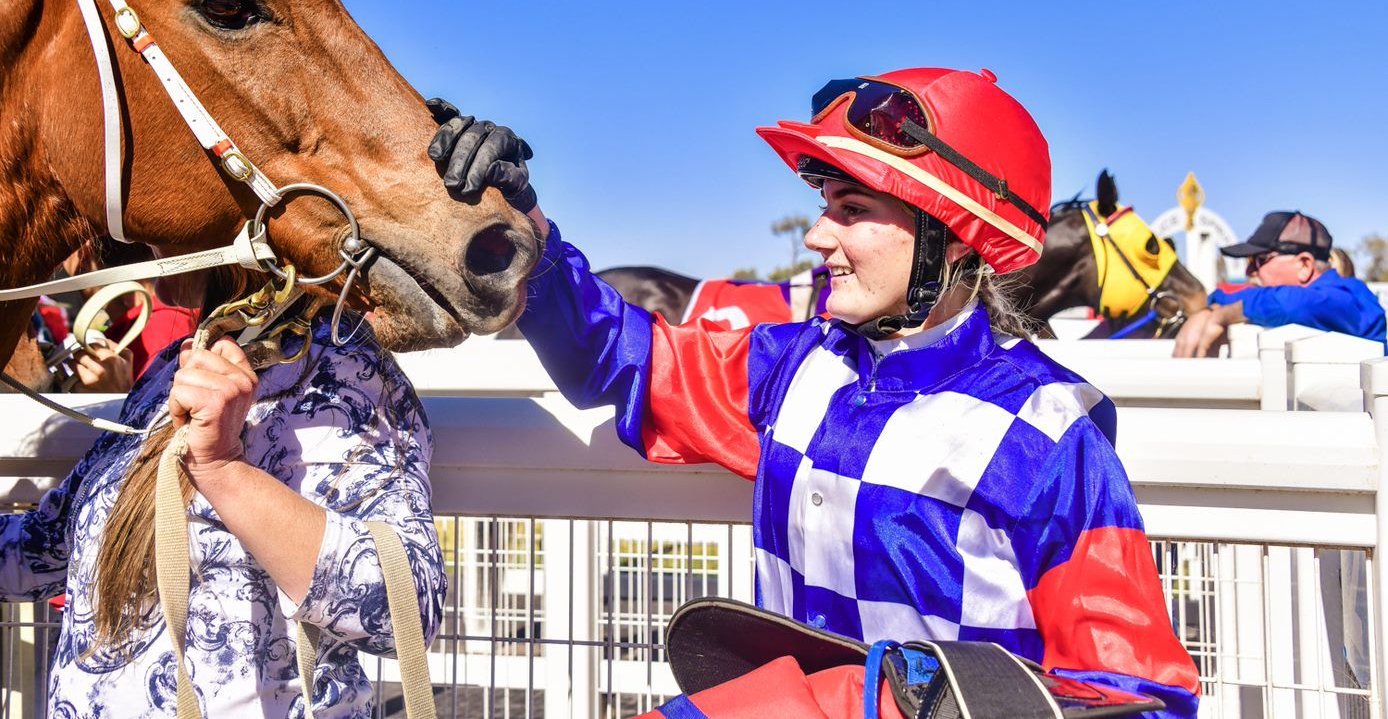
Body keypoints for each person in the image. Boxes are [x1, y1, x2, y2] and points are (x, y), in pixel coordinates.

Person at [429, 68, 1200, 717]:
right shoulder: (793, 365)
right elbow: (615, 356)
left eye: (852, 211)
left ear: (956, 236)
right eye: (826, 205)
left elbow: (1138, 696)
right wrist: (517, 221)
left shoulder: (1053, 436)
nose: (817, 237)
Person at [0, 268, 443, 717]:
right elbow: (46, 550)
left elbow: (407, 607)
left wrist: (223, 469)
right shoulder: (172, 365)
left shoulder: (345, 368)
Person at [1176, 211, 1387, 357]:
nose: (1250, 271)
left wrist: (1223, 313)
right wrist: (1207, 309)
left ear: (1304, 265)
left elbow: (1295, 304)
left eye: (1258, 261)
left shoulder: (1350, 297)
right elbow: (1225, 296)